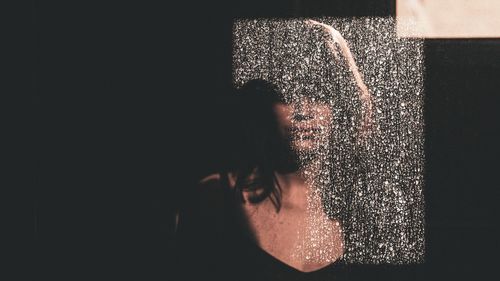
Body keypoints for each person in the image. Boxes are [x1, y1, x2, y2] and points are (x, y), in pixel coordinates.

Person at [174, 20, 381, 281]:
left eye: (319, 94)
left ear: (339, 106)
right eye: (286, 94)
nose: (304, 111)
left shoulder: (364, 214)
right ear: (262, 103)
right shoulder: (216, 197)